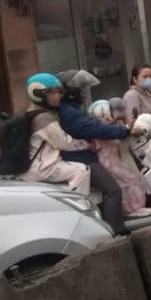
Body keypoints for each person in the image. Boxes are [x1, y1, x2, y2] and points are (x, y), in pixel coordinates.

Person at [55, 69, 130, 234]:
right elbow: (93, 128)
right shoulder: (68, 112)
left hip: (80, 155)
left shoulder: (69, 109)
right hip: (81, 158)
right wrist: (124, 130)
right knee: (113, 190)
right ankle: (115, 231)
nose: (82, 92)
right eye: (79, 88)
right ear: (69, 91)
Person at [19, 74, 91, 195]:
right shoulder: (44, 119)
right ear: (39, 94)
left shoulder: (33, 112)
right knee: (82, 171)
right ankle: (77, 205)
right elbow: (65, 143)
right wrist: (89, 145)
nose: (60, 95)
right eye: (55, 92)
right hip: (43, 168)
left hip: (36, 165)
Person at [89, 99, 151, 218]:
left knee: (133, 179)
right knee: (131, 180)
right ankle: (132, 209)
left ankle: (130, 208)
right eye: (110, 111)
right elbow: (116, 135)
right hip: (108, 162)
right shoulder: (101, 131)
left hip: (115, 160)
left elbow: (124, 133)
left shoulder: (110, 127)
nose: (114, 114)